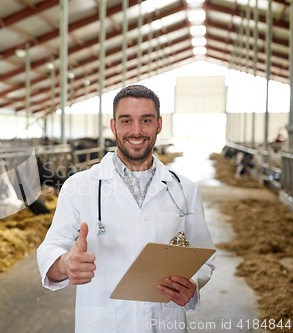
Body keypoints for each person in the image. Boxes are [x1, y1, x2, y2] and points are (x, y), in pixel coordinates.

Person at [37, 85, 215, 333]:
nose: (137, 130)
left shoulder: (185, 189)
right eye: (126, 120)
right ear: (114, 126)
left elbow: (203, 255)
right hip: (102, 324)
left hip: (164, 322)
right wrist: (65, 263)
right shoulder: (79, 186)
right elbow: (50, 248)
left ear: (159, 125)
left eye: (146, 120)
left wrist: (192, 283)